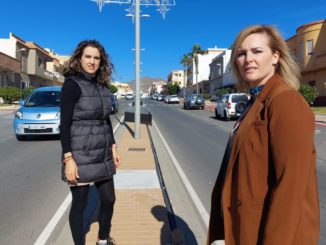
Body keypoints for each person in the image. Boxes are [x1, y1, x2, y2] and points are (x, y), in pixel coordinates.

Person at [207, 25, 319, 245]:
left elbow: (291, 187)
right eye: (241, 53)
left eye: (257, 51)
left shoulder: (285, 101)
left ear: (275, 56)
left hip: (273, 235)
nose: (248, 58)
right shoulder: (255, 101)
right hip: (247, 228)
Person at [60, 40, 121, 245]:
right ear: (79, 58)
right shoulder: (71, 85)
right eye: (88, 57)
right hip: (80, 153)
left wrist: (113, 146)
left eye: (96, 58)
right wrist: (68, 158)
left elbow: (106, 119)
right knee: (80, 203)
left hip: (102, 152)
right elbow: (64, 124)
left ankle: (102, 239)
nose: (92, 61)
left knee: (109, 199)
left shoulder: (102, 86)